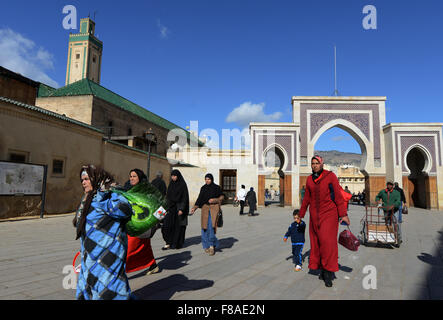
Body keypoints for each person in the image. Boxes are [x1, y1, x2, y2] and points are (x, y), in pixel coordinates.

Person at [73, 165, 133, 300]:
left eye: (86, 179)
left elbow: (125, 210)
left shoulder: (111, 195)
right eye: (82, 180)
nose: (83, 182)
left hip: (109, 253)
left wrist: (103, 197)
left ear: (96, 179)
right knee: (90, 285)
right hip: (90, 253)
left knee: (110, 286)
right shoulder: (87, 198)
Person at [299, 155, 350, 288]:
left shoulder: (330, 176)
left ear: (322, 164)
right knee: (316, 243)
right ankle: (321, 269)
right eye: (312, 163)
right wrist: (301, 214)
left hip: (329, 214)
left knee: (327, 243)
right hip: (314, 216)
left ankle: (328, 273)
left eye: (317, 163)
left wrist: (343, 214)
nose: (314, 165)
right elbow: (306, 199)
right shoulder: (310, 179)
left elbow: (338, 196)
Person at [124, 169, 159, 275]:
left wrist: (155, 221)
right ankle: (153, 265)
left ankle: (119, 270)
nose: (131, 178)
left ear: (140, 178)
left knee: (128, 248)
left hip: (142, 225)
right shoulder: (128, 189)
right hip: (131, 223)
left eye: (134, 176)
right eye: (130, 176)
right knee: (145, 246)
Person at [190, 173, 224, 256]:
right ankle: (206, 246)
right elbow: (199, 199)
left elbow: (222, 197)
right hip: (205, 209)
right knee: (204, 228)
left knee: (211, 227)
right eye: (206, 179)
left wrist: (214, 200)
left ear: (212, 179)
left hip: (213, 209)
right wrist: (194, 207)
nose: (207, 180)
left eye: (208, 179)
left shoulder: (216, 187)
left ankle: (212, 246)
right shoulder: (203, 188)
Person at [162, 169, 189, 250]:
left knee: (178, 227)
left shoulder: (182, 185)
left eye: (174, 176)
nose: (173, 177)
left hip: (178, 209)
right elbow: (168, 196)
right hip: (170, 208)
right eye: (172, 176)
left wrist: (181, 209)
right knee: (166, 226)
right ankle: (168, 242)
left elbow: (184, 198)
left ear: (178, 176)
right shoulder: (171, 184)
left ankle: (177, 243)